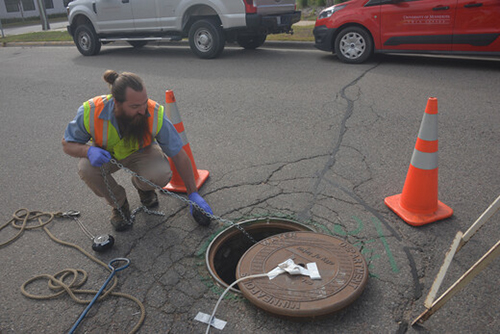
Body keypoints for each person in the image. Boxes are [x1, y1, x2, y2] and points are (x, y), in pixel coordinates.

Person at [62, 70, 212, 231]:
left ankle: (143, 188)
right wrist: (88, 151)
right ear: (117, 103)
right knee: (86, 169)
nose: (142, 110)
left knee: (161, 174)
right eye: (134, 106)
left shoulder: (154, 113)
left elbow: (179, 155)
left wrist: (193, 194)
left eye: (144, 103)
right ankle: (119, 205)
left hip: (142, 153)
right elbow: (67, 144)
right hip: (105, 156)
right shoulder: (91, 111)